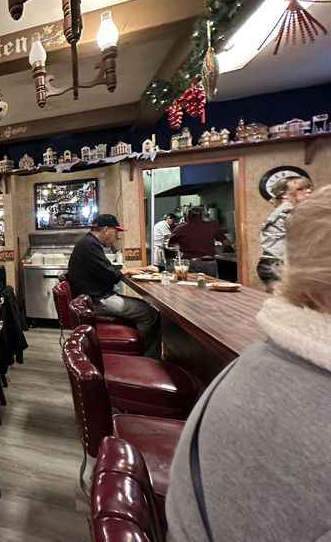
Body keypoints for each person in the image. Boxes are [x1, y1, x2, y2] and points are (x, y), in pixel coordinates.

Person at [166, 185, 331, 542]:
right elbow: (224, 238)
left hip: (195, 265)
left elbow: (172, 241)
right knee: (145, 318)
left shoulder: (258, 361)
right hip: (206, 263)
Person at [67, 214, 160, 356]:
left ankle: (138, 351)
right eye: (116, 231)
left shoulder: (88, 243)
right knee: (150, 313)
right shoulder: (90, 245)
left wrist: (127, 270)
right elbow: (111, 275)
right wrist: (126, 271)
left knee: (143, 307)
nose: (117, 236)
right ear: (105, 229)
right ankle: (147, 358)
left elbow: (107, 271)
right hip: (97, 301)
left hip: (94, 297)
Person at [258, 176, 313, 292]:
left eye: (308, 187)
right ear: (285, 195)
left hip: (273, 265)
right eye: (300, 189)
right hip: (278, 266)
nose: (308, 191)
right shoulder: (289, 211)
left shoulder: (287, 210)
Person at [168, 207, 231, 276]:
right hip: (208, 263)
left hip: (189, 263)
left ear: (187, 216)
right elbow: (226, 243)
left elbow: (170, 244)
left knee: (189, 285)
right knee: (211, 285)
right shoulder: (212, 226)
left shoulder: (180, 228)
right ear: (202, 215)